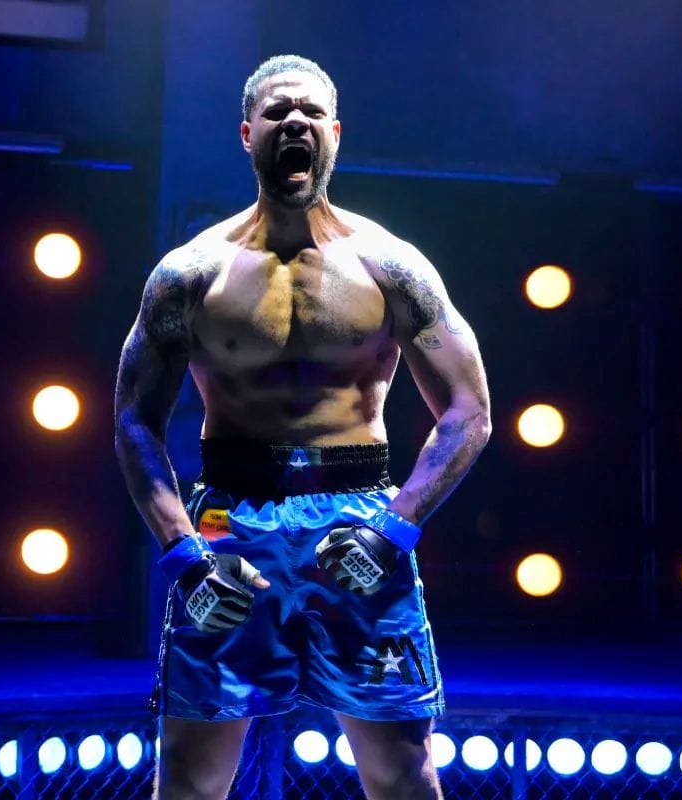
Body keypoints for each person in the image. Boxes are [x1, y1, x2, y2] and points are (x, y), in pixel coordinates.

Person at [114, 54, 491, 800]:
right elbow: (132, 422)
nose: (296, 123)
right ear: (248, 134)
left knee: (402, 769)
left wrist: (396, 528)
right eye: (279, 112)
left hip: (358, 521)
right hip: (228, 520)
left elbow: (469, 410)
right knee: (189, 774)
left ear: (336, 135)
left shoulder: (391, 266)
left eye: (312, 112)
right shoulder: (191, 273)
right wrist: (184, 555)